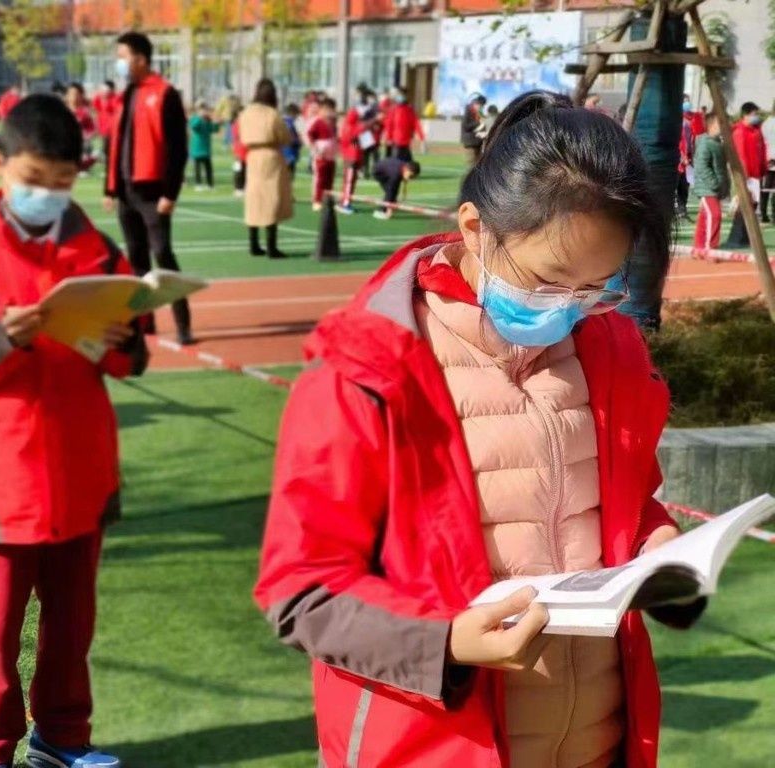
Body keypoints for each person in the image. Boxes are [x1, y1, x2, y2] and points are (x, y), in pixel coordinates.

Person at [255, 90, 705, 768]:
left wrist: (657, 542)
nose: (572, 309)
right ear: (474, 229)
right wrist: (447, 644)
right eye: (550, 280)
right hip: (431, 746)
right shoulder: (366, 370)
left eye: (597, 287)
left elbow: (622, 501)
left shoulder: (610, 348)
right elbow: (301, 592)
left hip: (598, 740)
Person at [0, 93, 146, 768]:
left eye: (63, 184)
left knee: (71, 629)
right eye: (33, 181)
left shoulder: (97, 248)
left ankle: (63, 739)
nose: (47, 196)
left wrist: (118, 339)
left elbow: (132, 356)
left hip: (82, 474)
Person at [104, 31, 192, 345]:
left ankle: (183, 323)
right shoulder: (126, 94)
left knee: (162, 255)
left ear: (141, 59)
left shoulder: (165, 93)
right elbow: (114, 142)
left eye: (123, 56)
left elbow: (177, 148)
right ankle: (147, 321)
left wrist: (170, 193)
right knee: (136, 258)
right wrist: (110, 188)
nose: (119, 63)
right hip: (126, 190)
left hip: (153, 191)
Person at [238, 78, 293, 260]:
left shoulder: (246, 113)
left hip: (252, 156)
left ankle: (253, 243)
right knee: (272, 198)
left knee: (254, 198)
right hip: (270, 156)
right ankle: (271, 246)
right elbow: (285, 136)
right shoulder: (272, 114)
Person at [724, 101, 766, 248]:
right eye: (754, 114)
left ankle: (745, 237)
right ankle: (736, 238)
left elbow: (761, 151)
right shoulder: (740, 132)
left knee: (752, 205)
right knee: (745, 205)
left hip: (755, 175)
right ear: (746, 115)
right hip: (746, 175)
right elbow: (741, 155)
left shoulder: (755, 131)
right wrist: (744, 175)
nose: (757, 117)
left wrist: (762, 169)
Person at [692, 111, 729, 254]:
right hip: (708, 188)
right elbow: (701, 165)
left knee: (704, 217)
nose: (724, 126)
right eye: (721, 124)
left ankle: (699, 248)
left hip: (714, 187)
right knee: (715, 215)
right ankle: (710, 248)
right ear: (712, 125)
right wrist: (714, 183)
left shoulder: (718, 143)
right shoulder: (705, 144)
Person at [337, 98, 376, 214]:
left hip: (354, 155)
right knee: (349, 181)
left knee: (351, 181)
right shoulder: (350, 125)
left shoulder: (355, 125)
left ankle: (345, 200)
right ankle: (345, 203)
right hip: (351, 157)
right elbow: (351, 139)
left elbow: (360, 142)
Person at [306, 96, 338, 211]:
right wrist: (315, 149)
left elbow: (335, 137)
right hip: (321, 155)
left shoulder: (333, 123)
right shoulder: (318, 122)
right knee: (320, 178)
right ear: (322, 109)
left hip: (331, 156)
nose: (330, 112)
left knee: (330, 178)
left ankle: (328, 200)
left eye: (332, 110)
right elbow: (310, 136)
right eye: (328, 109)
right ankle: (317, 200)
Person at [383, 87, 424, 162]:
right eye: (400, 94)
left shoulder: (409, 110)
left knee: (408, 165)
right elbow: (389, 125)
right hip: (396, 142)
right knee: (398, 163)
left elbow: (416, 124)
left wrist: (422, 138)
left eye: (403, 95)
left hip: (406, 142)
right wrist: (388, 138)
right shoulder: (393, 110)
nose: (401, 97)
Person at [64, 82, 96, 172]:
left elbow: (92, 128)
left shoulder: (85, 112)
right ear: (66, 96)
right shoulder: (62, 110)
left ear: (81, 96)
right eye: (71, 94)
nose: (74, 97)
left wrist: (87, 137)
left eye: (77, 94)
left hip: (82, 143)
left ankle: (84, 165)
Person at [189, 101, 220, 191]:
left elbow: (214, 130)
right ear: (198, 110)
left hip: (206, 148)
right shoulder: (194, 118)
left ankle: (210, 184)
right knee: (197, 167)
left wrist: (216, 123)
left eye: (205, 109)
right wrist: (200, 118)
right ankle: (198, 184)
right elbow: (194, 126)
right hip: (197, 148)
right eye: (202, 109)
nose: (204, 111)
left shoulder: (207, 120)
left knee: (208, 167)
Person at [90, 80, 120, 167]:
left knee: (111, 147)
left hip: (113, 128)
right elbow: (94, 108)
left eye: (106, 89)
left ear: (112, 89)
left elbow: (116, 109)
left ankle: (112, 163)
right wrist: (96, 121)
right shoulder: (99, 98)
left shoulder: (116, 98)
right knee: (105, 147)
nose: (104, 91)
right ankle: (108, 163)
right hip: (103, 127)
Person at [676, 101, 696, 221]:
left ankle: (682, 210)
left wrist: (689, 157)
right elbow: (679, 143)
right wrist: (682, 156)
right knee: (678, 185)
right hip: (679, 161)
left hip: (686, 160)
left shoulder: (688, 123)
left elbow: (689, 143)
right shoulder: (680, 124)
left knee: (684, 185)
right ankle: (678, 210)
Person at [461, 92, 488, 164]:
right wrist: (479, 124)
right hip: (471, 142)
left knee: (478, 164)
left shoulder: (479, 112)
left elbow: (482, 125)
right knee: (472, 165)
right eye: (481, 105)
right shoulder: (469, 111)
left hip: (478, 142)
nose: (482, 107)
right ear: (476, 103)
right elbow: (466, 126)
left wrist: (483, 132)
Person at [760, 100, 775, 223]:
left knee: (767, 187)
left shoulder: (766, 123)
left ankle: (764, 213)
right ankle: (772, 214)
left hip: (768, 157)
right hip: (771, 157)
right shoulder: (768, 123)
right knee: (769, 187)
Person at [281, 103, 302, 177]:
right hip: (289, 154)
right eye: (296, 114)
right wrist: (299, 142)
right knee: (289, 177)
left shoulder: (281, 120)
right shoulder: (290, 123)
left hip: (282, 153)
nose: (297, 117)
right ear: (292, 113)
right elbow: (290, 137)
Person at [231, 104, 247, 198]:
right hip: (238, 151)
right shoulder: (237, 124)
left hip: (246, 151)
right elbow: (237, 136)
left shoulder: (247, 123)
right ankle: (238, 188)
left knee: (246, 171)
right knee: (238, 170)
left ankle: (244, 188)